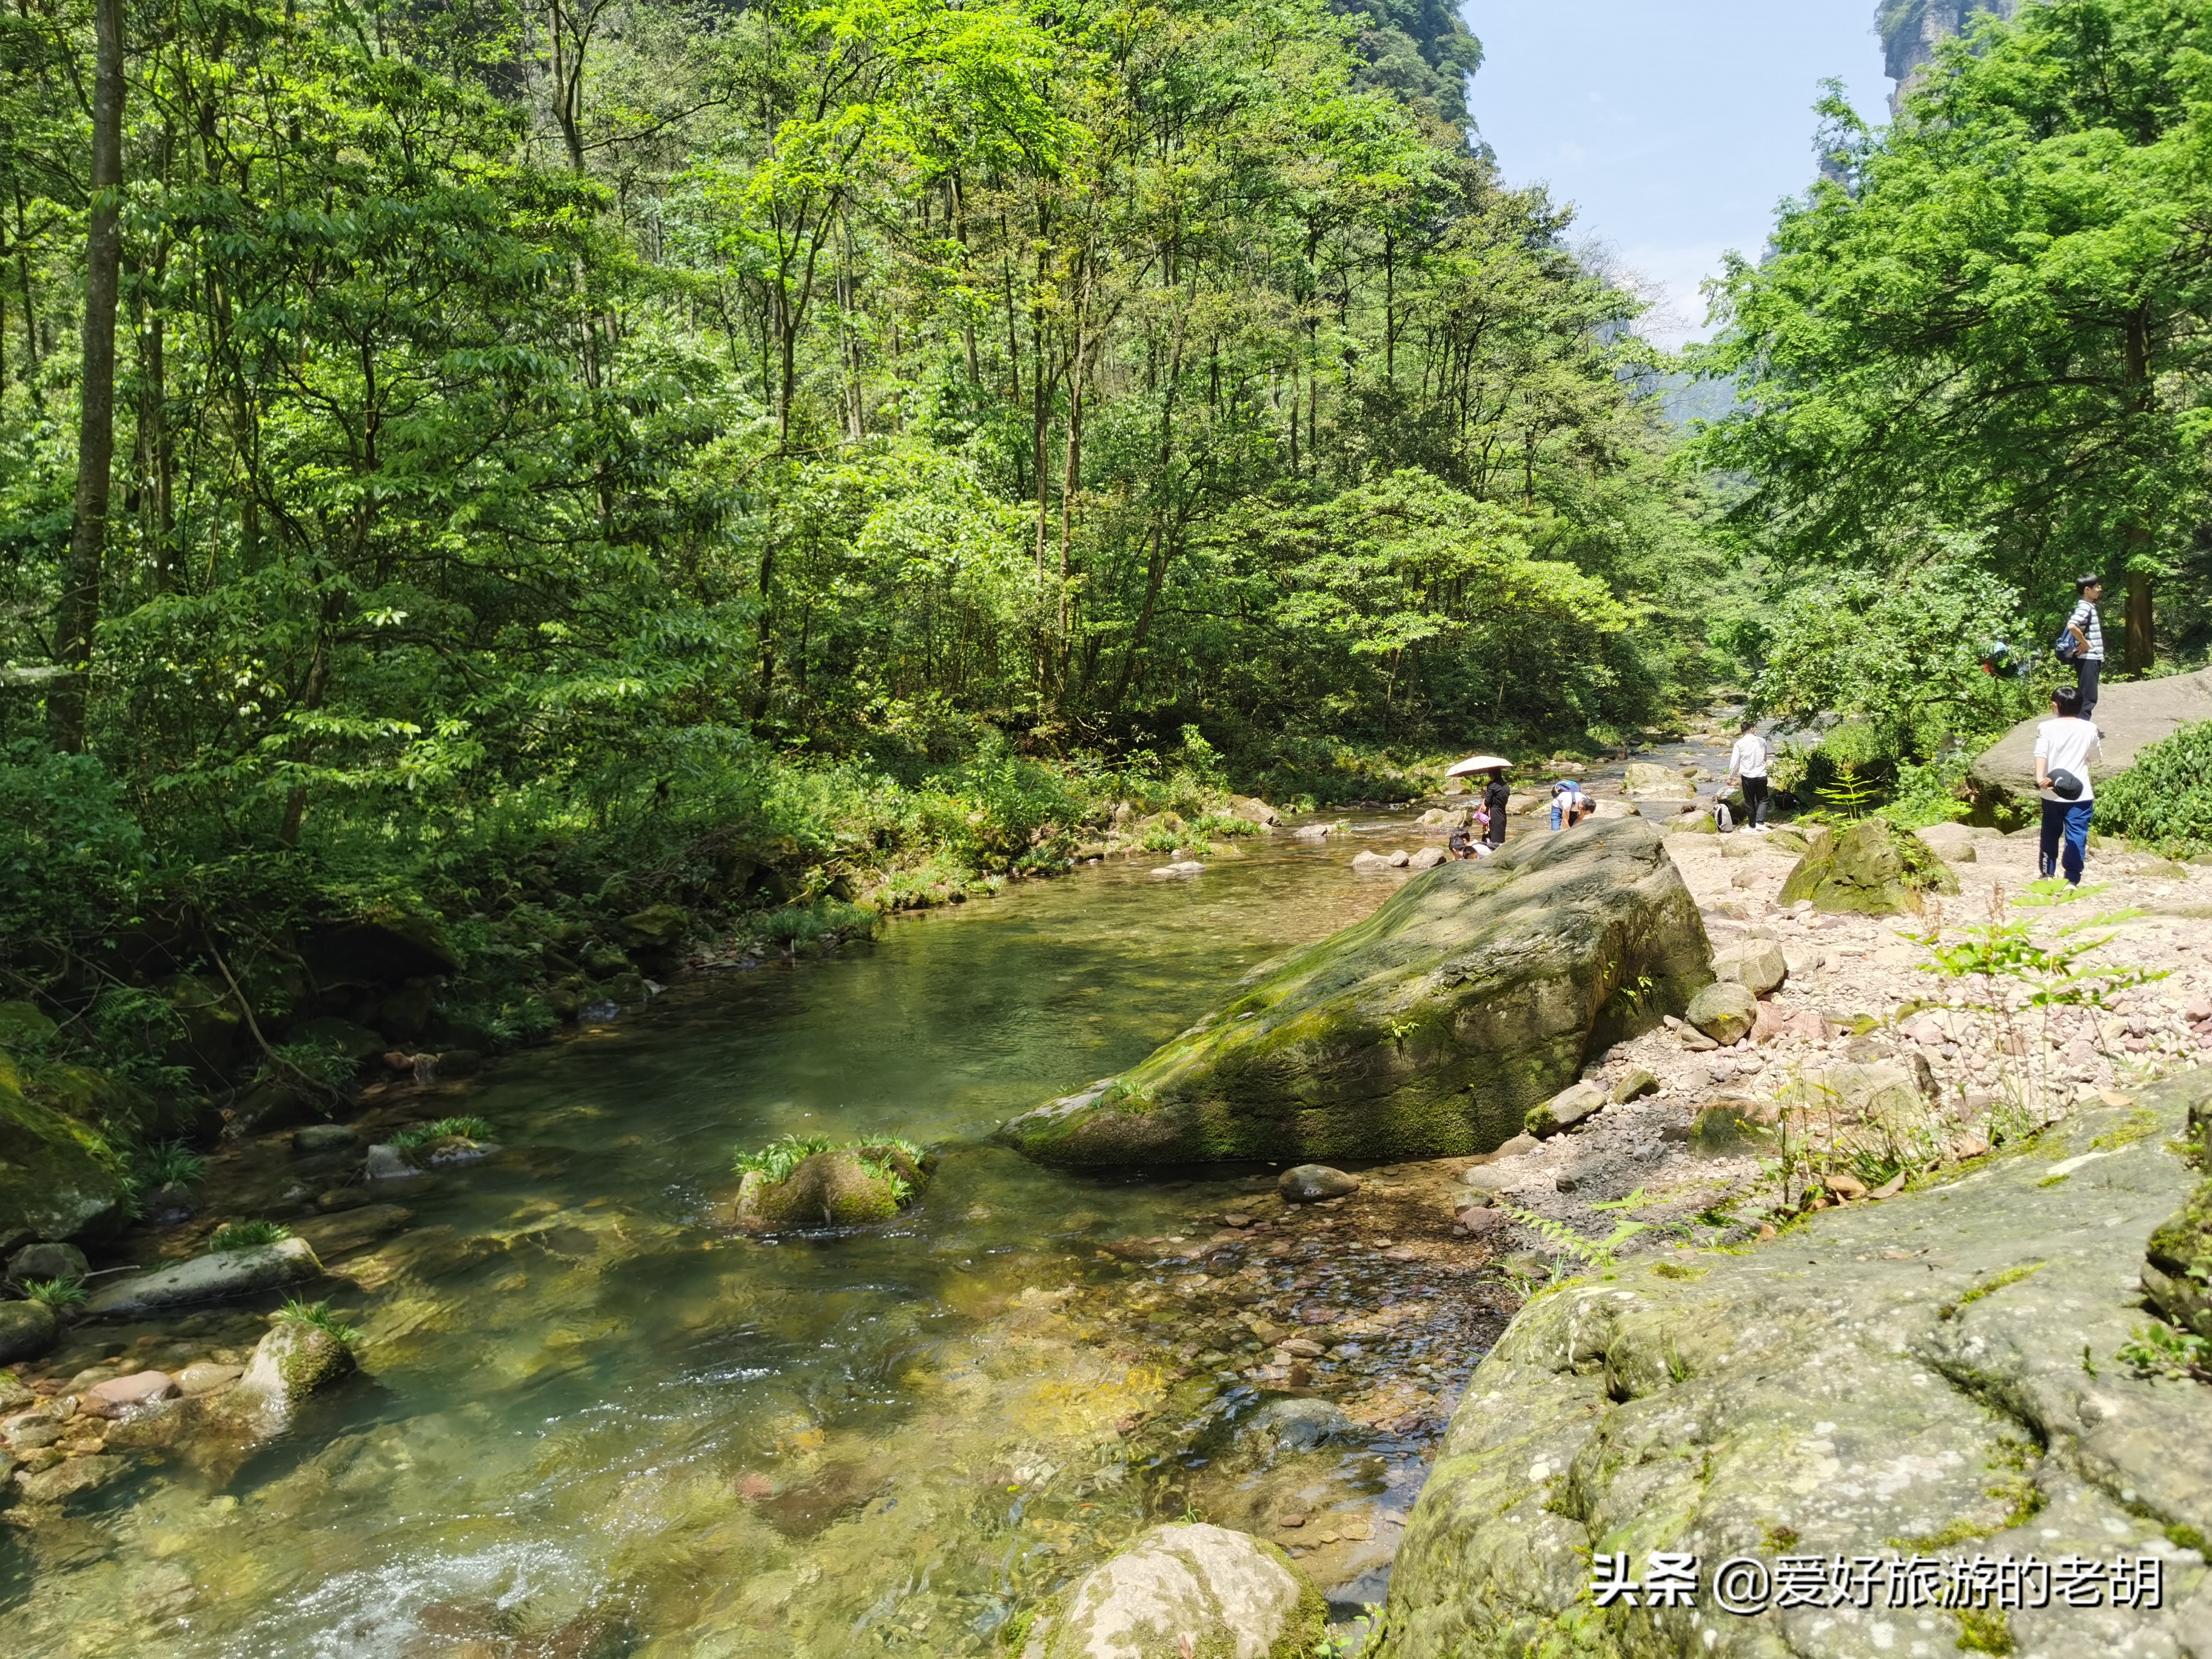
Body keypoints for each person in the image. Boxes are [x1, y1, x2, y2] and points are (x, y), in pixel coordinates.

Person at [2033, 684, 2103, 885]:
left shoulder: (2045, 727)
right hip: (2080, 794)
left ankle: (2047, 874)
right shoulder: (2090, 728)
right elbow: (2095, 756)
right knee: (2077, 836)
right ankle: (2072, 880)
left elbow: (2040, 753)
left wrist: (2040, 779)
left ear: (2055, 706)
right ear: (2080, 706)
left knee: (2050, 833)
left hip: (2052, 792)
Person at [2062, 575, 2104, 722]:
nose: (2100, 589)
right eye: (2097, 587)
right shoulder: (2085, 607)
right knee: (2088, 698)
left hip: (2089, 658)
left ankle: (2079, 726)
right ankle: (2081, 729)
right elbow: (2072, 625)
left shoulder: (2088, 607)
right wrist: (2084, 643)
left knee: (2087, 696)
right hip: (2089, 657)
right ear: (2087, 590)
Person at [1726, 719, 1770, 831]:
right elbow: (1764, 757)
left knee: (1749, 801)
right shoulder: (1762, 741)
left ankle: (1752, 826)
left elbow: (1735, 762)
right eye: (1754, 728)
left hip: (1747, 776)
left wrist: (1731, 777)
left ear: (1743, 731)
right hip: (1761, 774)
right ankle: (1760, 823)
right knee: (1763, 799)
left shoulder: (1739, 744)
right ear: (1751, 729)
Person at [1483, 768, 1510, 850]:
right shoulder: (1506, 785)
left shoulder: (1492, 785)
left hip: (1494, 813)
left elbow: (1487, 802)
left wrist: (1484, 795)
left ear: (1492, 774)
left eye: (1489, 773)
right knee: (1501, 836)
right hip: (1502, 812)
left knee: (1493, 838)